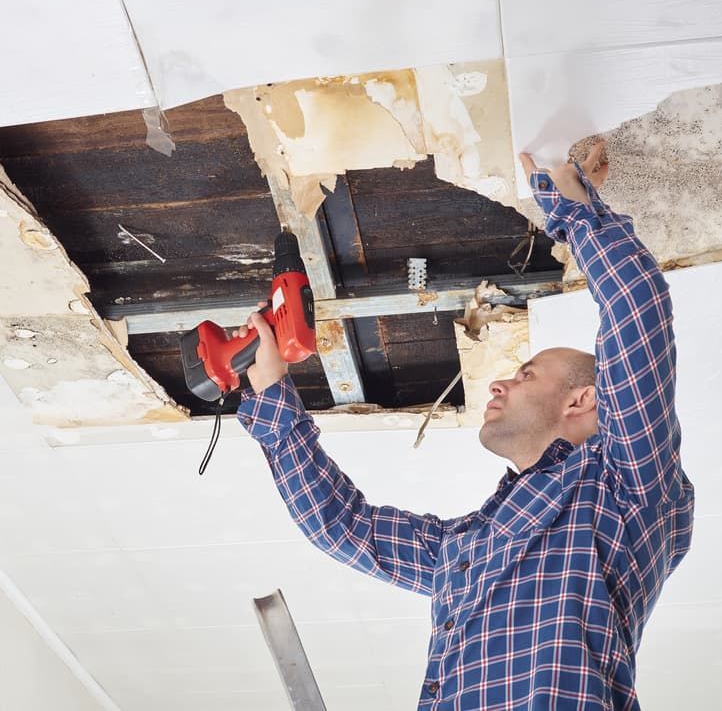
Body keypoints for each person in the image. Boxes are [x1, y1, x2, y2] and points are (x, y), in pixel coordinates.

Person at [233, 140, 694, 710]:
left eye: (525, 373)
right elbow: (343, 527)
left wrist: (572, 206)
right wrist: (273, 394)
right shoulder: (468, 549)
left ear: (585, 401)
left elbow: (638, 311)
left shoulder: (628, 486)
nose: (498, 385)